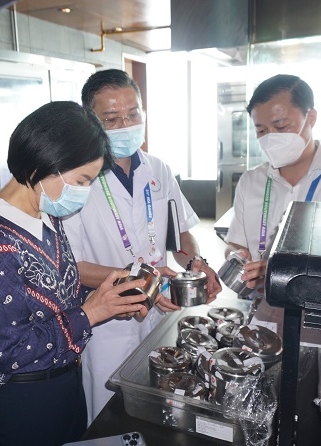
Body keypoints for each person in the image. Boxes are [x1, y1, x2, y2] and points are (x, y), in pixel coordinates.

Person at [0, 101, 154, 446]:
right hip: (24, 405)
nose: (84, 192)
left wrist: (108, 300)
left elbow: (55, 298)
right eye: (81, 181)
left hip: (65, 387)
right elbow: (8, 350)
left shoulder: (46, 217)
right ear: (45, 162)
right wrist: (90, 313)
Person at [63, 69, 223, 422]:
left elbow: (180, 234)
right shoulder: (76, 179)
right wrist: (140, 279)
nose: (126, 126)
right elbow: (71, 267)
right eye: (112, 119)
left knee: (161, 407)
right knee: (109, 418)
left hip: (160, 316)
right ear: (91, 121)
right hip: (108, 324)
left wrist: (196, 262)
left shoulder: (158, 169)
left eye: (133, 114)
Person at [225, 74, 321, 331]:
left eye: (281, 126)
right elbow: (235, 243)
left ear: (311, 118)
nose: (271, 138)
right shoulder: (251, 182)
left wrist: (281, 275)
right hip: (263, 315)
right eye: (261, 130)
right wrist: (238, 259)